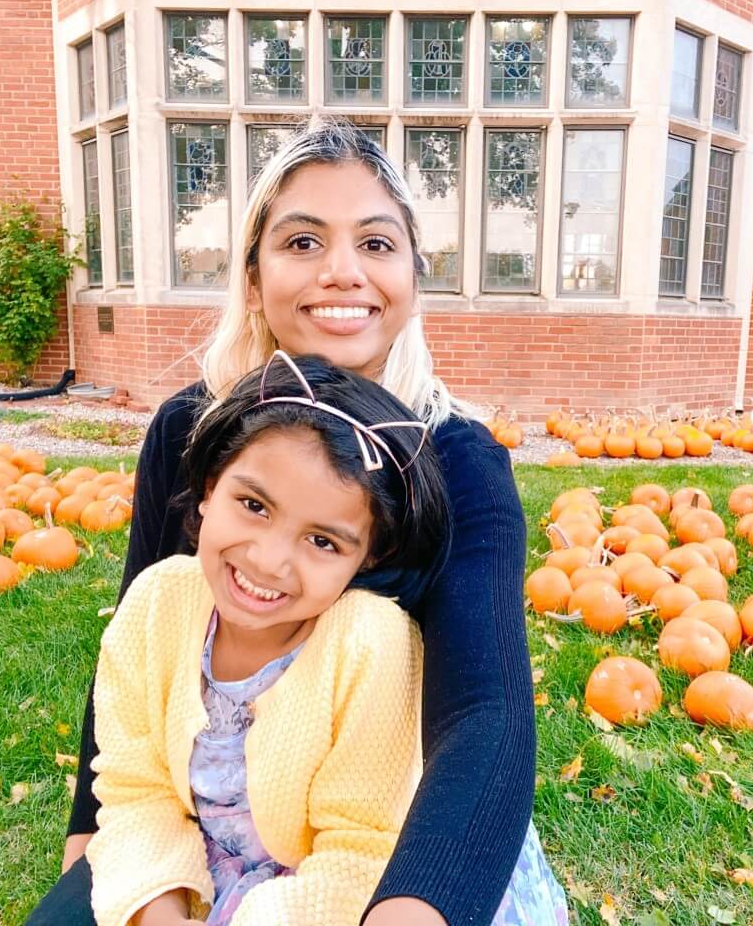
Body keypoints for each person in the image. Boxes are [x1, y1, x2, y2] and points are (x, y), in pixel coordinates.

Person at [27, 119, 538, 926]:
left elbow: (486, 715)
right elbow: (142, 635)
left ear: (411, 276)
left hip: (381, 827)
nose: (342, 272)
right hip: (196, 815)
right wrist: (91, 830)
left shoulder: (459, 460)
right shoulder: (191, 430)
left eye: (376, 244)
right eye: (303, 242)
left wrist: (411, 909)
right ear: (254, 276)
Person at [86, 352, 566, 926]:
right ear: (210, 486)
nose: (269, 561)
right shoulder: (154, 605)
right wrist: (156, 912)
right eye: (254, 505)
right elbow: (137, 790)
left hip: (346, 894)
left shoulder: (371, 644)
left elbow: (363, 849)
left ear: (369, 554)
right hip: (220, 872)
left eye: (323, 542)